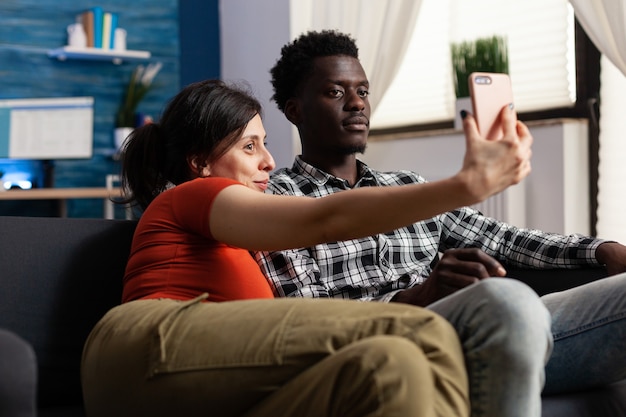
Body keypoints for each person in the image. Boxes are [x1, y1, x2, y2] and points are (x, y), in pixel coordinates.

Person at [80, 78, 534, 417]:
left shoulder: (246, 245)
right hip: (146, 347)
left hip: (209, 389)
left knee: (389, 366)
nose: (269, 161)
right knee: (422, 332)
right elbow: (325, 218)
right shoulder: (189, 194)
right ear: (199, 163)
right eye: (249, 146)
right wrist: (464, 186)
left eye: (266, 143)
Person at [255, 30, 626, 417]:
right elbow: (308, 317)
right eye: (335, 92)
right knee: (506, 299)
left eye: (362, 91)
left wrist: (602, 250)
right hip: (398, 346)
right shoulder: (277, 199)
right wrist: (422, 295)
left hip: (487, 332)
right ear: (295, 110)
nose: (356, 104)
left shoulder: (407, 187)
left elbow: (506, 240)